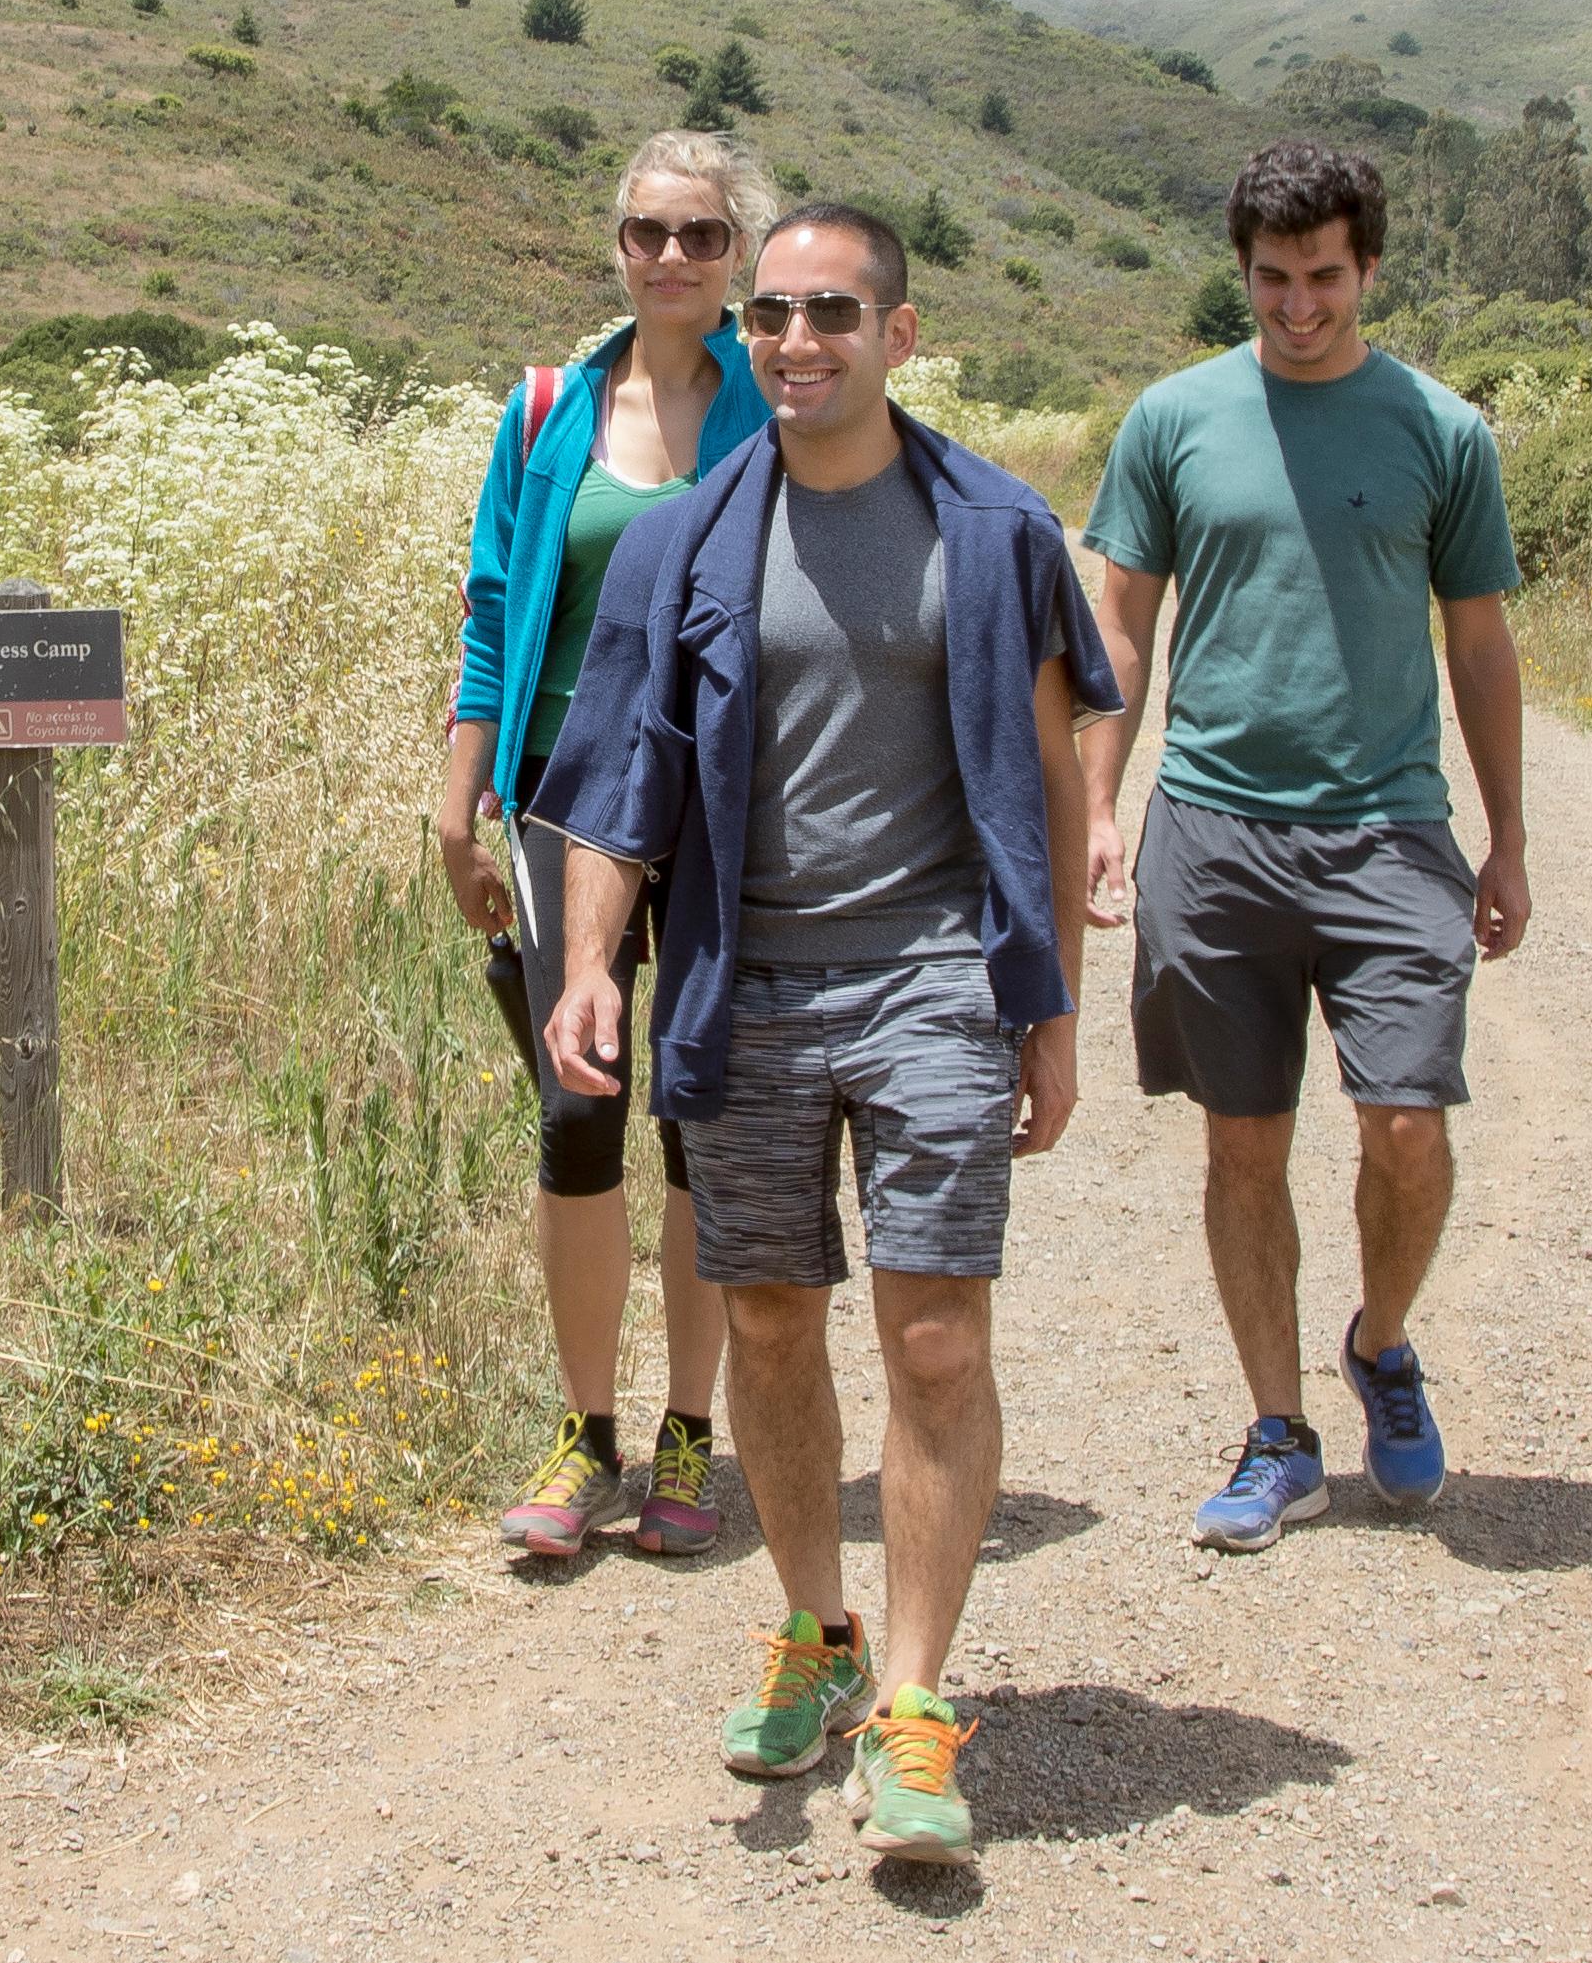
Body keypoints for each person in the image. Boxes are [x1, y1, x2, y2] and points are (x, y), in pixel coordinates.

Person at [535, 205, 1115, 1867]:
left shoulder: (996, 530)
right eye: (774, 313)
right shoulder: (678, 545)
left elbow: (1045, 778)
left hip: (934, 975)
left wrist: (1047, 1010)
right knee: (772, 1326)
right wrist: (591, 969)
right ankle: (814, 1628)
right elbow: (611, 789)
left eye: (833, 314)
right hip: (746, 982)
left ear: (899, 333)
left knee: (934, 1336)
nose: (798, 341)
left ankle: (919, 1702)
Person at [1078, 135, 1528, 1555]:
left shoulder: (1439, 431)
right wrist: (1095, 808)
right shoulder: (1171, 420)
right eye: (1271, 279)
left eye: (1323, 277)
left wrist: (1507, 836)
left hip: (1389, 828)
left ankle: (1380, 1343)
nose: (1296, 307)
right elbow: (1119, 625)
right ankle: (1276, 1431)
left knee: (1405, 1121)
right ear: (1243, 272)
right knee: (1241, 1144)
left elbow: (1478, 637)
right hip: (1211, 828)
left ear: (1369, 268)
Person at [437, 128, 779, 1561]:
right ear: (615, 242)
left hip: (721, 810)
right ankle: (585, 1434)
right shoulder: (544, 411)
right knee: (574, 1114)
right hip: (557, 806)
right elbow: (492, 609)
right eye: (647, 230)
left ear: (738, 256)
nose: (670, 258)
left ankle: (691, 1435)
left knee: (697, 1118)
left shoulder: (783, 407)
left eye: (701, 235)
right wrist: (453, 803)